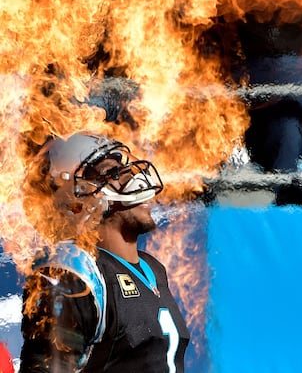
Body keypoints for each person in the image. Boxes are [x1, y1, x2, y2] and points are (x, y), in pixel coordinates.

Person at [19, 132, 190, 372]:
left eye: (127, 169)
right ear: (75, 201)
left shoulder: (153, 268)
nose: (136, 179)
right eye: (113, 174)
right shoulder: (71, 273)